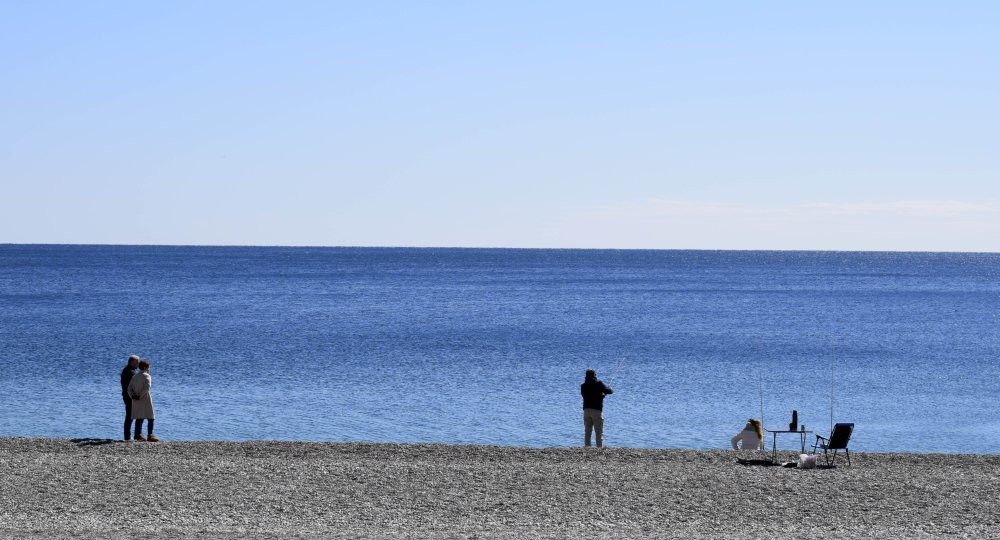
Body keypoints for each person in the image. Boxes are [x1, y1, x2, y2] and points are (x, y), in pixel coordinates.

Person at [580, 368, 613, 447]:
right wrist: (609, 388)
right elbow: (609, 391)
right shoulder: (599, 383)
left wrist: (601, 396)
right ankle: (599, 448)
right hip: (596, 410)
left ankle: (587, 448)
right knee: (598, 431)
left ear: (586, 376)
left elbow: (587, 396)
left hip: (586, 410)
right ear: (594, 375)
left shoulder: (583, 386)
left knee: (587, 431)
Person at [128, 359, 159, 442]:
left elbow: (129, 389)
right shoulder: (147, 376)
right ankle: (150, 435)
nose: (149, 369)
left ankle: (138, 435)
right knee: (151, 417)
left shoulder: (134, 377)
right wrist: (140, 396)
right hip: (145, 399)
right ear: (145, 367)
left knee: (139, 418)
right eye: (148, 367)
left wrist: (133, 396)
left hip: (136, 400)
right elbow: (147, 388)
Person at [120, 355, 139, 440]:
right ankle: (127, 436)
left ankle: (128, 436)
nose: (138, 363)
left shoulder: (127, 370)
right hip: (129, 397)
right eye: (137, 362)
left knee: (130, 416)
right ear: (131, 362)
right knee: (129, 416)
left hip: (126, 396)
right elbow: (131, 386)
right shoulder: (130, 372)